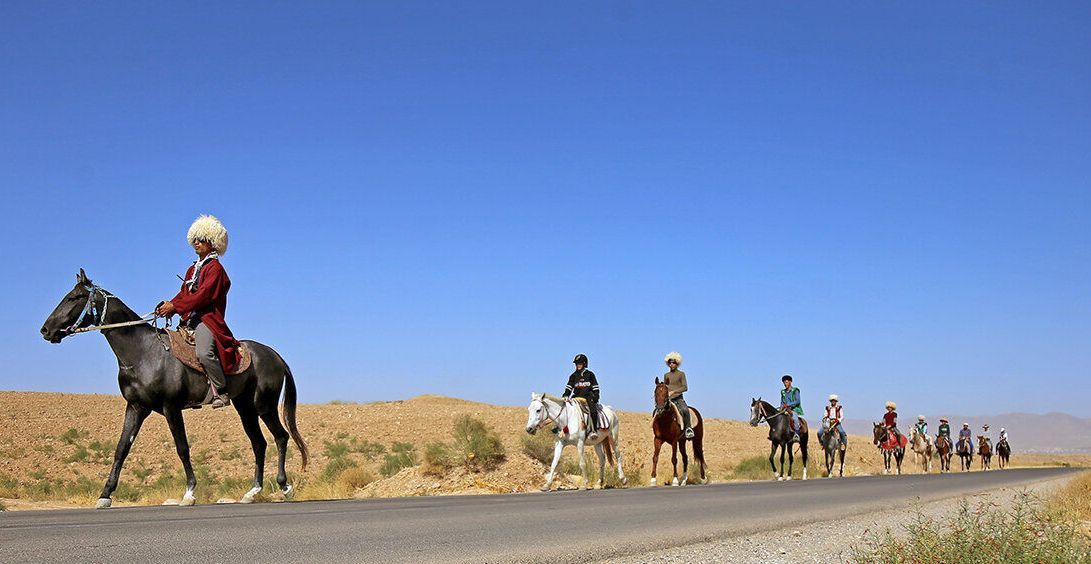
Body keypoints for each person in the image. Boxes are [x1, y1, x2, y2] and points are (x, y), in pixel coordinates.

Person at [155, 215, 240, 409]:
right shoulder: (192, 269)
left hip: (208, 320)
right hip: (189, 320)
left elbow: (204, 296)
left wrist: (175, 307)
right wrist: (170, 305)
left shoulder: (215, 269)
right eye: (195, 239)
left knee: (203, 353)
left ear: (212, 242)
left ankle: (222, 392)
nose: (197, 242)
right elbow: (184, 293)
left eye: (201, 239)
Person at [562, 353, 601, 438]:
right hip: (576, 397)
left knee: (593, 411)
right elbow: (569, 388)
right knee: (565, 409)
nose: (578, 365)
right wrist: (565, 395)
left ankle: (593, 430)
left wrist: (596, 396)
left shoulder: (590, 374)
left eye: (580, 363)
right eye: (576, 364)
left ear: (584, 364)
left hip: (588, 397)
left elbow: (595, 387)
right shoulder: (573, 376)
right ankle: (562, 429)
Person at [662, 352, 694, 439]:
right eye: (670, 363)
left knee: (685, 410)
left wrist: (674, 391)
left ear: (677, 364)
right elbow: (665, 386)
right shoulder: (666, 375)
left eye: (673, 363)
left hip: (678, 399)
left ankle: (688, 429)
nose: (671, 364)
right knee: (658, 410)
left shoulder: (681, 374)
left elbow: (685, 387)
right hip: (669, 399)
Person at [780, 375, 803, 443]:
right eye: (784, 382)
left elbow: (797, 401)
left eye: (786, 382)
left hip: (794, 409)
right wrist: (781, 407)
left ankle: (796, 434)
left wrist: (788, 404)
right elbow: (782, 402)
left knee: (795, 418)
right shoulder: (783, 392)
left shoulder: (795, 390)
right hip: (784, 409)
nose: (785, 384)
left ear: (790, 382)